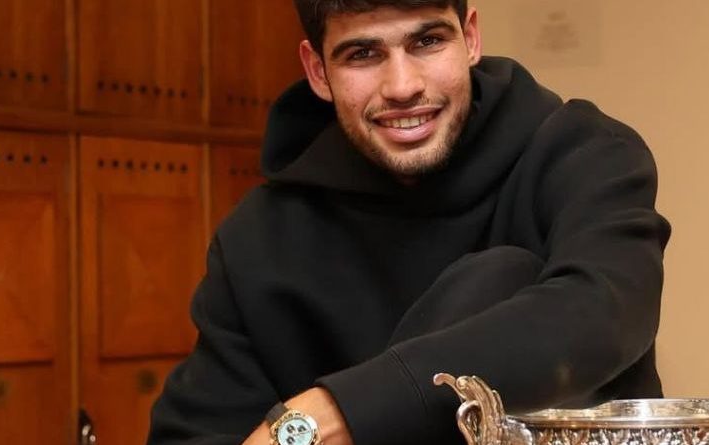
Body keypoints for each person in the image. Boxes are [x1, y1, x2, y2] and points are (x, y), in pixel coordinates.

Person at [148, 0, 671, 444]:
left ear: (470, 38)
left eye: (428, 42)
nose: (402, 86)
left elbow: (603, 313)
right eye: (362, 54)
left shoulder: (586, 155)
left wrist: (336, 412)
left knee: (501, 277)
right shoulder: (259, 238)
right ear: (317, 71)